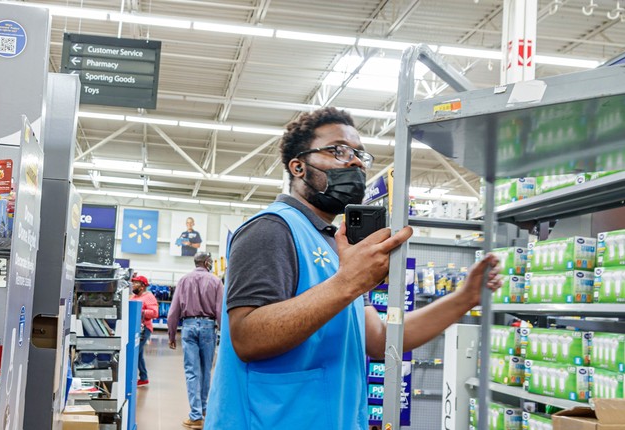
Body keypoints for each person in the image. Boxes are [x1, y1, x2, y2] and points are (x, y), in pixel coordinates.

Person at [204, 107, 502, 430]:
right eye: (339, 151)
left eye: (360, 154)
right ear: (298, 166)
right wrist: (348, 282)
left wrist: (464, 298)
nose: (356, 162)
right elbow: (247, 337)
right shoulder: (271, 229)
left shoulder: (334, 246)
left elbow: (380, 337)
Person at [167, 252, 224, 430]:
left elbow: (173, 311)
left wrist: (171, 335)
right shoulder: (216, 281)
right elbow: (221, 310)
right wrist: (223, 333)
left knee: (192, 371)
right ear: (207, 263)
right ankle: (204, 410)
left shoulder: (184, 280)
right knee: (206, 369)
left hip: (189, 326)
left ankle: (195, 415)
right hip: (209, 327)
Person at [130, 275, 158, 387]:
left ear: (142, 286)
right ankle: (143, 378)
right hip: (135, 328)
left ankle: (136, 377)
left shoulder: (149, 297)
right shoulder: (134, 296)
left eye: (135, 283)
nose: (133, 285)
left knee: (136, 352)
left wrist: (141, 311)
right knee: (139, 353)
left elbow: (155, 313)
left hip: (144, 329)